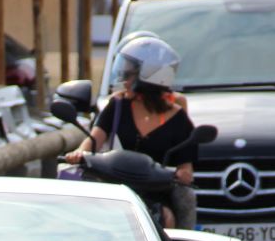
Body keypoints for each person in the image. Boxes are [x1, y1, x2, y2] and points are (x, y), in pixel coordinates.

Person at [64, 36, 197, 228]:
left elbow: (186, 170)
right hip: (115, 189)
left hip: (157, 193)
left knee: (176, 207)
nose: (123, 79)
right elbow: (94, 141)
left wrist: (181, 174)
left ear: (152, 75)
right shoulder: (117, 105)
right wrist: (79, 154)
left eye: (130, 74)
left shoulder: (178, 118)